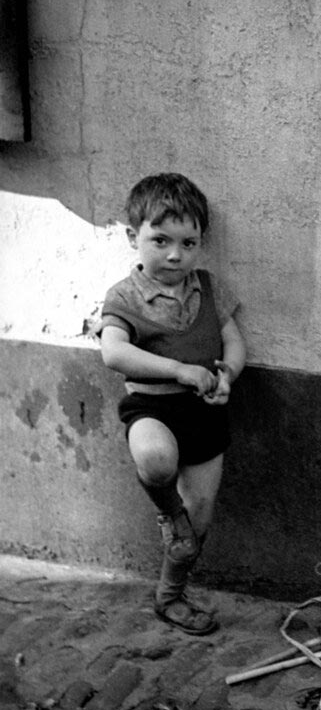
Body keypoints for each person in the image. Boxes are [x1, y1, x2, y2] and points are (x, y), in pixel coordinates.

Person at [99, 172, 246, 635]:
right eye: (160, 240)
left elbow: (233, 341)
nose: (175, 255)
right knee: (156, 460)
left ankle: (171, 595)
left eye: (189, 242)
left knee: (198, 516)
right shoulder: (124, 296)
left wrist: (229, 374)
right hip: (152, 407)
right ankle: (167, 510)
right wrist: (179, 371)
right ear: (132, 237)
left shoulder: (208, 287)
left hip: (205, 411)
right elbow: (113, 352)